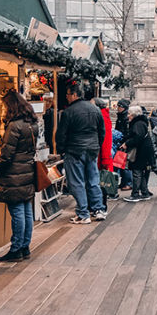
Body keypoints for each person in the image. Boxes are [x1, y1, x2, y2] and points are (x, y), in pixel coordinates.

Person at [0, 91, 40, 261]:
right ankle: (25, 246)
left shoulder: (14, 126)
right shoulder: (32, 123)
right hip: (27, 170)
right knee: (26, 210)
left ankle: (16, 248)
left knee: (17, 211)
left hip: (14, 174)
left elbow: (7, 154)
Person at [55, 84, 106, 224]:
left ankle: (83, 213)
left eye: (68, 94)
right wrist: (97, 146)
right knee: (93, 180)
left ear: (74, 95)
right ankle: (98, 209)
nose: (66, 97)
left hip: (74, 150)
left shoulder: (68, 112)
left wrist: (61, 150)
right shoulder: (95, 109)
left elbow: (61, 135)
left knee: (77, 182)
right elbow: (102, 132)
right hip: (92, 150)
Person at [122, 105, 155, 202]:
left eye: (129, 114)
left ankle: (135, 194)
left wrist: (127, 143)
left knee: (137, 172)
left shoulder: (138, 124)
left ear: (133, 115)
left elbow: (137, 137)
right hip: (143, 151)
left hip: (140, 152)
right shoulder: (141, 122)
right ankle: (144, 193)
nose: (127, 116)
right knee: (141, 172)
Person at [94, 97, 115, 210]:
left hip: (102, 158)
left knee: (101, 183)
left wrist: (105, 160)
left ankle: (101, 207)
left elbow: (105, 141)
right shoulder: (102, 117)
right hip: (101, 157)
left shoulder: (102, 118)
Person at [114, 99, 132, 190]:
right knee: (120, 163)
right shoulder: (120, 117)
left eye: (119, 106)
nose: (117, 108)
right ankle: (124, 182)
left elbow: (127, 132)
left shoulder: (125, 118)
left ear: (123, 107)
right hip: (120, 142)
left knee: (125, 165)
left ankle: (128, 183)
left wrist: (124, 141)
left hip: (124, 143)